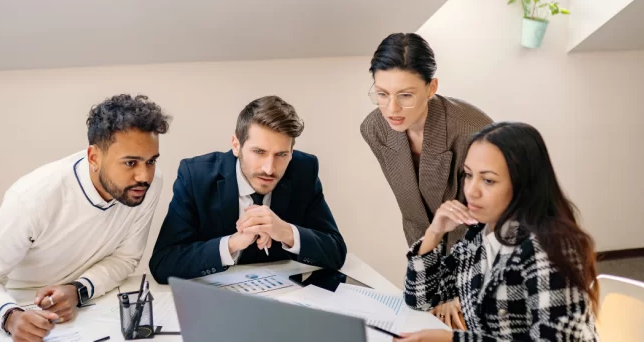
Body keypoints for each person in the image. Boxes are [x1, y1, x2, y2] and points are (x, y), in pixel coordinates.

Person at [0, 94, 170, 342]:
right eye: (130, 163)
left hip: (90, 307)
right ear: (94, 157)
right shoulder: (33, 196)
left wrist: (77, 290)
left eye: (151, 161)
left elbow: (126, 258)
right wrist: (10, 317)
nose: (143, 175)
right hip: (20, 306)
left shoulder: (148, 185)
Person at [395, 122, 599, 342]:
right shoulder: (479, 234)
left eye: (488, 180)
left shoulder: (550, 246)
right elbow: (421, 299)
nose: (471, 191)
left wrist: (452, 339)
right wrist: (434, 232)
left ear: (523, 184)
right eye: (468, 175)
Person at [360, 33, 492, 327]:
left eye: (405, 95)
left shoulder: (475, 130)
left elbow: (491, 219)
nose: (391, 109)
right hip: (427, 251)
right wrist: (430, 284)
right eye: (382, 94)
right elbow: (416, 213)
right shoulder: (374, 129)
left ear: (432, 87)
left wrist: (455, 290)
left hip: (483, 256)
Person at [150, 95, 347, 283]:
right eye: (259, 152)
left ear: (291, 152)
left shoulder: (304, 170)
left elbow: (336, 252)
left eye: (281, 154)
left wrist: (286, 232)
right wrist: (231, 245)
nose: (269, 169)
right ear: (236, 145)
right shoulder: (196, 176)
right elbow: (163, 263)